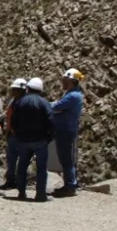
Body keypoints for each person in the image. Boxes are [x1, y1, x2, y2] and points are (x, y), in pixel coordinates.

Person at [11, 77, 56, 202]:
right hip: (40, 140)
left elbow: (13, 121)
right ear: (40, 90)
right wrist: (50, 136)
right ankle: (40, 194)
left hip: (23, 139)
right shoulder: (44, 102)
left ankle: (21, 192)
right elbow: (51, 120)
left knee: (22, 166)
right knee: (41, 168)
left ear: (28, 88)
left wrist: (18, 134)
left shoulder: (19, 102)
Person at [51, 67, 86, 197]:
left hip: (65, 130)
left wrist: (43, 105)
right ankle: (70, 184)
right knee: (66, 158)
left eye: (65, 80)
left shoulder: (72, 96)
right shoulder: (72, 94)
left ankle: (70, 185)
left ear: (71, 81)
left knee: (66, 159)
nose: (63, 83)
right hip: (65, 129)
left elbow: (56, 106)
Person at [0, 78, 28, 190]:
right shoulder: (13, 102)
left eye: (14, 90)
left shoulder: (25, 103)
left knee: (22, 160)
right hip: (12, 135)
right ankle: (11, 180)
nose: (12, 92)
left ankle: (20, 182)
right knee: (11, 159)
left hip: (21, 136)